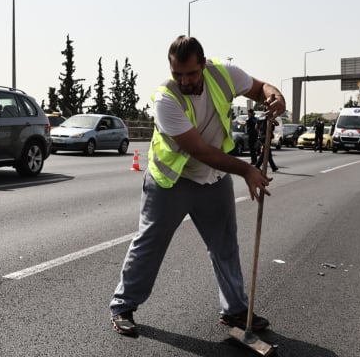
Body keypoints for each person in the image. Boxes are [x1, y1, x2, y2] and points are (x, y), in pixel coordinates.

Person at [109, 36, 286, 337]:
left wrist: (275, 96)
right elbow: (200, 150)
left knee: (225, 246)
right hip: (171, 182)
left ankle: (235, 311)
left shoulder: (224, 73)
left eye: (190, 73)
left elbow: (260, 89)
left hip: (213, 180)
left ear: (203, 64)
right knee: (150, 243)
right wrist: (246, 170)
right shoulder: (165, 99)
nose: (184, 80)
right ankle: (122, 306)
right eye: (177, 74)